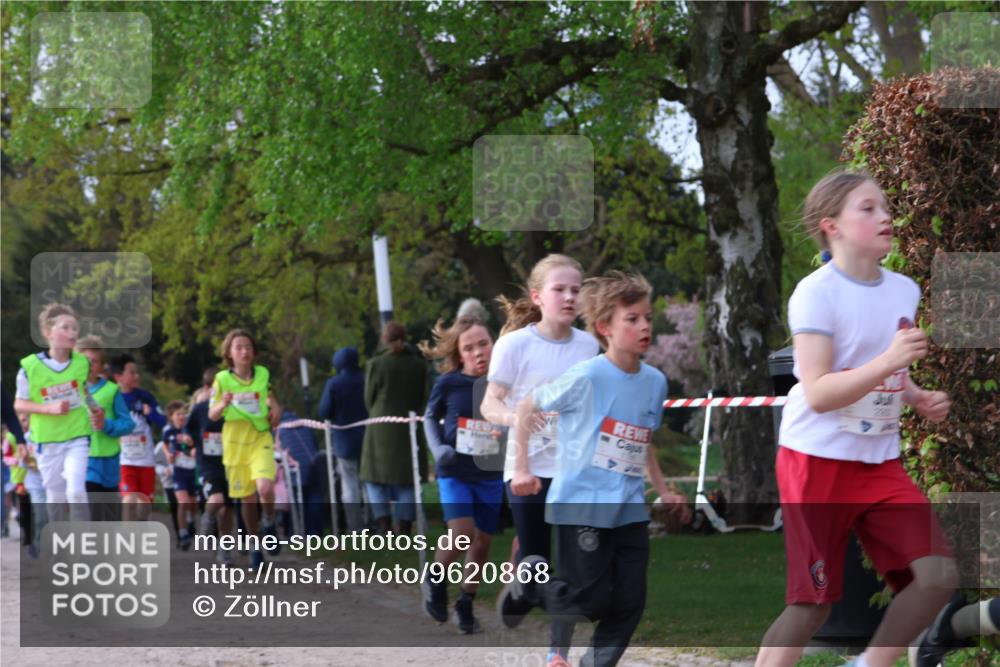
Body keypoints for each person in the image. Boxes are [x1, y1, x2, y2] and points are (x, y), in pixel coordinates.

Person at [754, 170, 958, 667]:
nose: (885, 215)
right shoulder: (814, 293)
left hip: (878, 464)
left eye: (885, 206)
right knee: (812, 606)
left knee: (938, 577)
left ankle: (869, 664)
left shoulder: (903, 290)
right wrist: (890, 362)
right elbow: (820, 392)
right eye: (867, 208)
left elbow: (881, 368)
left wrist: (913, 394)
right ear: (833, 226)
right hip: (815, 463)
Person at [505, 271, 690, 667]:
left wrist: (663, 489)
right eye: (632, 319)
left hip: (628, 508)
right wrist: (521, 468)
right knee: (588, 600)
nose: (644, 326)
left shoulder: (655, 382)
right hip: (581, 505)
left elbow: (643, 440)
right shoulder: (587, 376)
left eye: (647, 318)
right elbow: (526, 407)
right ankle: (530, 582)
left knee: (629, 603)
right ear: (605, 327)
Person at [479, 254, 600, 630]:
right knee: (536, 559)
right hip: (526, 465)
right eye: (559, 289)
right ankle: (524, 591)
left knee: (572, 562)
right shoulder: (515, 346)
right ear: (537, 297)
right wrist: (517, 418)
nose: (569, 298)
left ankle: (552, 635)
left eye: (575, 291)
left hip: (573, 467)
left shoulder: (589, 346)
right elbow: (489, 402)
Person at [419, 306, 505, 634]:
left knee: (482, 543)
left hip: (489, 474)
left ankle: (465, 602)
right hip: (454, 471)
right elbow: (429, 417)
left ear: (493, 344)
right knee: (462, 533)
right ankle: (436, 579)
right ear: (459, 353)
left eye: (483, 344)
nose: (477, 352)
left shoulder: (503, 382)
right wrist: (438, 448)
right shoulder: (449, 383)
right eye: (468, 348)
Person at [15, 304, 98, 522]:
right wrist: (47, 409)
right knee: (56, 498)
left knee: (76, 492)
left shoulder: (82, 363)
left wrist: (96, 409)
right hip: (47, 440)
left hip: (77, 436)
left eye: (75, 328)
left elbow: (84, 392)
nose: (72, 333)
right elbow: (19, 404)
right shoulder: (29, 367)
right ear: (47, 332)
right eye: (65, 328)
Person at [208, 329, 282, 570]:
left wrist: (275, 410)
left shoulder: (262, 374)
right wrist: (223, 402)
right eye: (238, 347)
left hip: (259, 437)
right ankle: (254, 547)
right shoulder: (221, 380)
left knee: (265, 487)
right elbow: (212, 414)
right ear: (229, 353)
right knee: (247, 500)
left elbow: (272, 402)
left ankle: (269, 521)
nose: (244, 351)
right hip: (234, 443)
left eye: (248, 347)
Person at [360, 321, 428, 536]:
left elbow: (368, 398)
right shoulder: (419, 365)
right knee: (407, 479)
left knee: (374, 478)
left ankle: (384, 525)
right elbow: (423, 396)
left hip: (380, 427)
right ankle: (405, 527)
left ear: (384, 339)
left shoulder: (376, 364)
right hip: (409, 426)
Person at [77, 336, 134, 521]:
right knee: (91, 514)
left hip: (108, 462)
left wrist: (107, 424)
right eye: (85, 360)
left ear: (101, 366)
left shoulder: (111, 390)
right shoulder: (69, 390)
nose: (89, 365)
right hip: (82, 459)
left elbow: (128, 424)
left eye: (94, 361)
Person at [110, 353, 166, 521]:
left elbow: (163, 421)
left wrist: (151, 414)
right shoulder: (112, 398)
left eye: (137, 372)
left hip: (146, 461)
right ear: (118, 377)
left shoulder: (145, 397)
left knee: (145, 505)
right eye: (132, 372)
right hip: (124, 461)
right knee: (129, 500)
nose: (137, 376)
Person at [318, 346, 367, 533]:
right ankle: (376, 521)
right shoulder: (365, 379)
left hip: (344, 440)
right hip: (368, 437)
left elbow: (324, 412)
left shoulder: (333, 384)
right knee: (369, 482)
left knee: (350, 484)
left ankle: (356, 526)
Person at [187, 375, 235, 564]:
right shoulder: (200, 409)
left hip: (231, 462)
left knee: (227, 510)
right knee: (217, 500)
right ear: (209, 388)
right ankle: (207, 517)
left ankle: (225, 550)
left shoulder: (234, 409)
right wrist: (189, 442)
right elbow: (189, 430)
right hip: (207, 464)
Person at [162, 400, 198, 549]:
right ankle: (183, 533)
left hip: (193, 470)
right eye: (178, 414)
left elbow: (197, 444)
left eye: (184, 413)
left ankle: (191, 521)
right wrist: (168, 455)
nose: (182, 416)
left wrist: (192, 445)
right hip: (179, 472)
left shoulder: (191, 429)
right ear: (171, 416)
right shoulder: (168, 431)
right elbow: (164, 444)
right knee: (182, 502)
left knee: (192, 504)